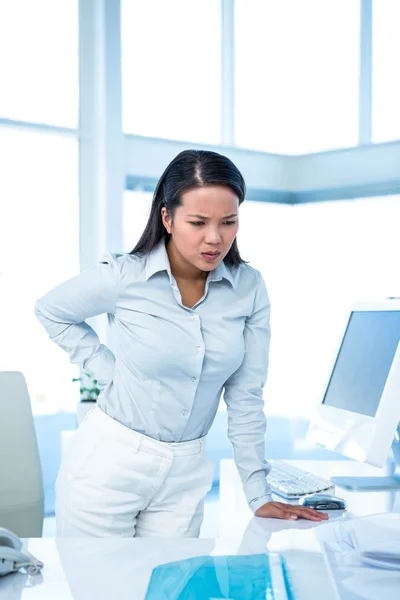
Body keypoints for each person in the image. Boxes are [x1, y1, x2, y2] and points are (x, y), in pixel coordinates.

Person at [35, 149, 328, 537]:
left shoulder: (249, 287)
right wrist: (111, 372)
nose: (214, 237)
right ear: (167, 218)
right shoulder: (125, 277)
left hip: (187, 474)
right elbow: (51, 311)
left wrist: (258, 494)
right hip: (108, 465)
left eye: (228, 222)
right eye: (198, 222)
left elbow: (245, 396)